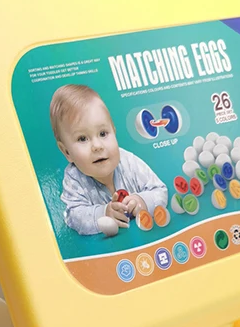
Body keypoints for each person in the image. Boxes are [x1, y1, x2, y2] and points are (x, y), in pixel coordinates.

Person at [50, 84, 167, 235]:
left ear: (114, 131)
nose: (97, 146)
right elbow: (74, 217)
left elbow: (160, 190)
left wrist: (142, 201)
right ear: (67, 152)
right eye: (82, 138)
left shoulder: (127, 161)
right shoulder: (74, 179)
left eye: (103, 133)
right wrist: (104, 213)